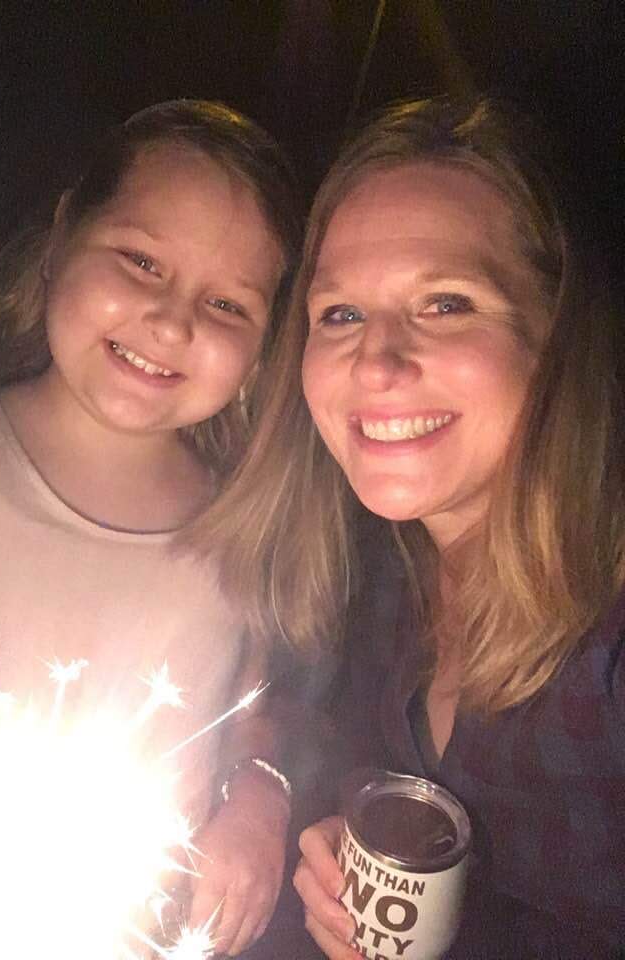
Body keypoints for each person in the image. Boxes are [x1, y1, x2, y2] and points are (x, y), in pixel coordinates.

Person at [194, 97, 625, 957]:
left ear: (558, 335)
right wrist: (295, 815)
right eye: (341, 315)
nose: (378, 363)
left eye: (447, 303)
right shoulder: (373, 574)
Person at [0, 99, 300, 956]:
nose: (171, 321)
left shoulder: (242, 533)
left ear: (265, 349)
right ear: (61, 239)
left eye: (228, 305)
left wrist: (259, 797)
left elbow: (252, 711)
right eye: (140, 260)